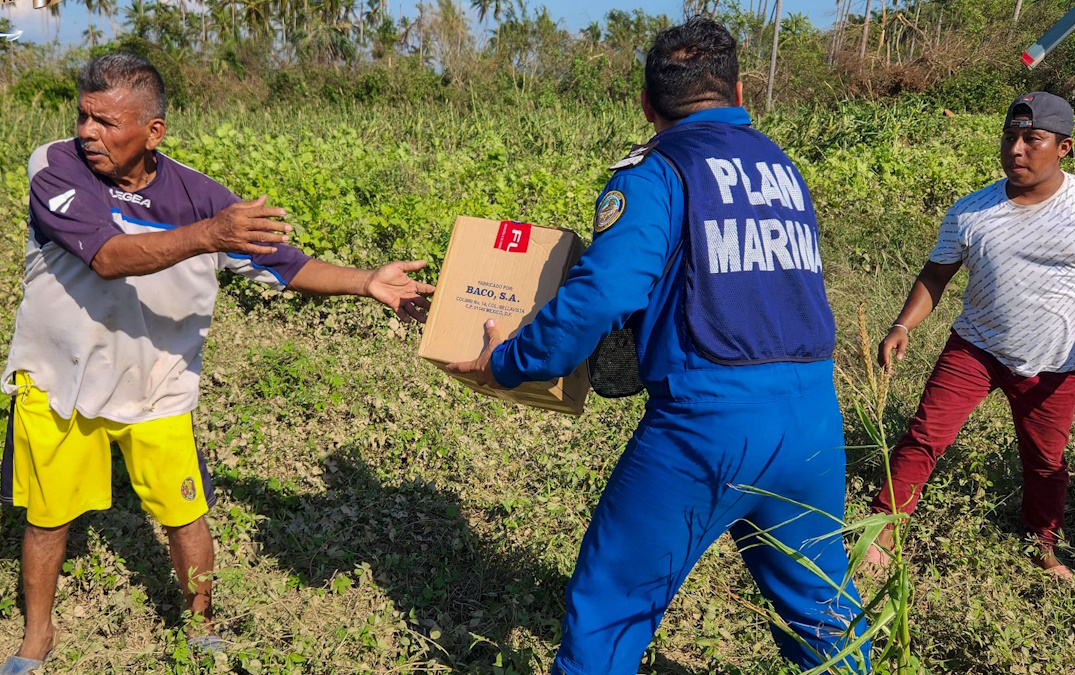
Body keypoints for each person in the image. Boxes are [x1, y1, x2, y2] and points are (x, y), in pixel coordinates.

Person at [449, 18, 870, 674]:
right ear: (737, 89)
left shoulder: (656, 173)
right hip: (815, 415)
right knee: (821, 606)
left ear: (648, 106)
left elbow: (604, 292)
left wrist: (510, 361)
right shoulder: (781, 167)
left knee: (612, 598)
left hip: (710, 424)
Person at [0, 53, 434, 674]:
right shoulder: (56, 164)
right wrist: (210, 236)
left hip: (156, 385)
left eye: (107, 122)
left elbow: (285, 264)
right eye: (84, 116)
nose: (89, 132)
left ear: (153, 133)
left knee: (185, 510)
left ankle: (201, 625)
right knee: (47, 519)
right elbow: (108, 256)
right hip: (57, 378)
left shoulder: (198, 194)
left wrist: (367, 281)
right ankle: (35, 638)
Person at [868, 92, 1075, 581]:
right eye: (1009, 138)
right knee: (923, 438)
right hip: (974, 349)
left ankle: (1044, 546)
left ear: (1063, 147)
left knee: (1046, 462)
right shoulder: (972, 210)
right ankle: (883, 533)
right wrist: (902, 325)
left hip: (1055, 364)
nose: (1016, 150)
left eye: (1031, 139)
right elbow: (935, 276)